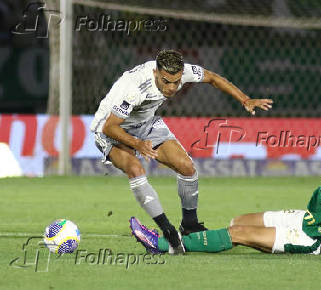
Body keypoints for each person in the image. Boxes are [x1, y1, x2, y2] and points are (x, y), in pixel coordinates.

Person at [130, 106, 321, 256]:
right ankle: (207, 239)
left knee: (236, 234)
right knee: (238, 221)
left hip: (312, 236)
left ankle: (166, 244)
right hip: (305, 218)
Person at [90, 50, 273, 254]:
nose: (172, 88)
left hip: (145, 124)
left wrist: (244, 99)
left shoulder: (183, 72)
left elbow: (212, 78)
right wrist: (137, 144)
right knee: (135, 167)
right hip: (111, 130)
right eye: (166, 81)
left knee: (187, 167)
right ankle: (168, 231)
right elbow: (110, 127)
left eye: (176, 82)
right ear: (156, 72)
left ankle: (190, 226)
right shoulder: (134, 87)